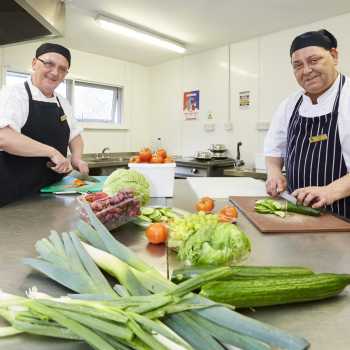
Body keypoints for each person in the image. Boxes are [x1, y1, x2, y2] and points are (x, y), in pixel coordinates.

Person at [264, 29, 350, 218]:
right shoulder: (290, 104)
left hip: (344, 218)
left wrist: (329, 192)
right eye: (298, 65)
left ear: (334, 56)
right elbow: (274, 151)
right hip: (298, 214)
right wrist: (274, 173)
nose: (307, 71)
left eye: (314, 60)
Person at [0, 42, 88, 206]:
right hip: (13, 193)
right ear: (34, 63)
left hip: (50, 191)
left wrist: (77, 158)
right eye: (49, 64)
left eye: (62, 69)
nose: (55, 72)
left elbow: (75, 136)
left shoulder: (63, 102)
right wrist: (51, 152)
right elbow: (4, 137)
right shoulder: (13, 94)